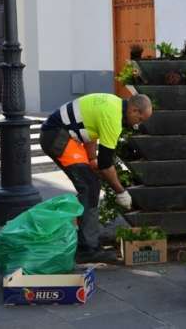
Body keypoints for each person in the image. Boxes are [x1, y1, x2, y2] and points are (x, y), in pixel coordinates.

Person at [39, 93, 152, 263]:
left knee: (90, 184)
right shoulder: (113, 118)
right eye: (140, 119)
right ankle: (87, 249)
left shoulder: (113, 103)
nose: (139, 124)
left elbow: (89, 131)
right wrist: (121, 192)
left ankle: (81, 239)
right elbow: (106, 164)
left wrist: (91, 159)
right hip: (58, 137)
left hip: (62, 135)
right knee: (90, 186)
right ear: (134, 110)